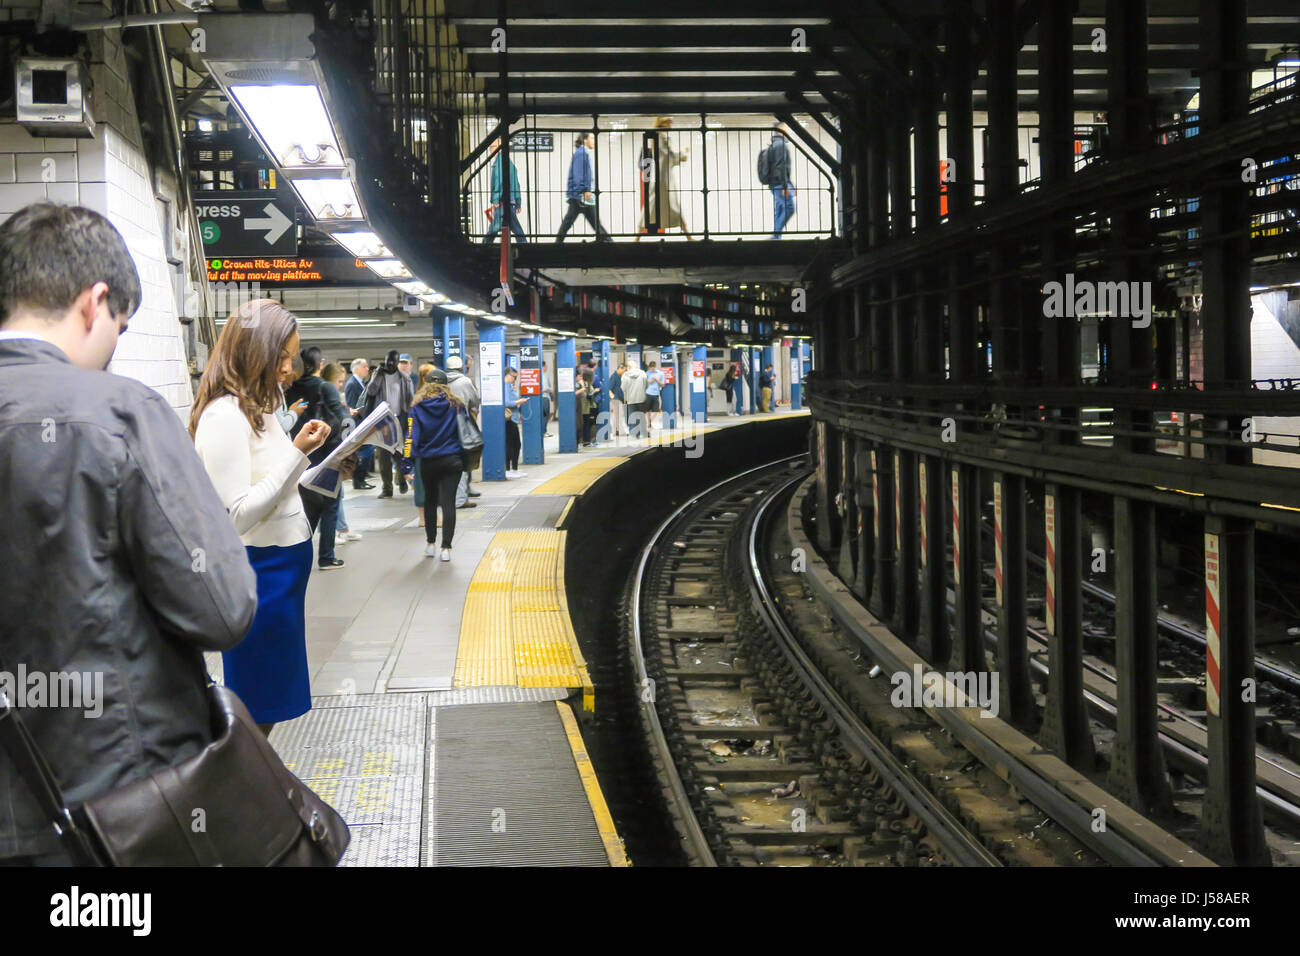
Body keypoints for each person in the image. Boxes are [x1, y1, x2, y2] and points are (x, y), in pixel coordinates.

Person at [0, 202, 257, 865]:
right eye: (119, 324)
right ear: (95, 302)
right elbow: (222, 609)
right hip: (118, 813)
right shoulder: (117, 412)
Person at [191, 298, 331, 735]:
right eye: (283, 357)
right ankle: (239, 794)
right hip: (259, 577)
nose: (290, 368)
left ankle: (252, 791)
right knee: (256, 709)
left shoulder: (262, 409)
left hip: (282, 574)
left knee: (268, 707)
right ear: (256, 352)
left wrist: (317, 461)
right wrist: (297, 453)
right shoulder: (224, 417)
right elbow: (235, 517)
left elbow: (276, 483)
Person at [285, 346, 348, 570]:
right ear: (320, 364)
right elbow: (340, 420)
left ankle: (299, 553)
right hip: (325, 454)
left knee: (306, 506)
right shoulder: (325, 387)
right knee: (330, 504)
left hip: (298, 453)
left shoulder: (289, 388)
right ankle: (327, 556)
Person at [409, 368, 466, 561]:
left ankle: (431, 544)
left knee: (431, 502)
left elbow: (411, 438)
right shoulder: (457, 404)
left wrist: (406, 464)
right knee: (449, 502)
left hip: (428, 461)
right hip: (452, 460)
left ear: (426, 384)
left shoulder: (416, 408)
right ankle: (446, 549)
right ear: (445, 385)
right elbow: (465, 433)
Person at [322, 362, 362, 543]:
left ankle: (342, 528)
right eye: (339, 381)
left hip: (334, 449)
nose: (340, 385)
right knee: (332, 493)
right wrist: (346, 412)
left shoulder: (329, 394)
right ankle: (335, 532)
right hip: (328, 450)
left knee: (338, 492)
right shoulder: (325, 394)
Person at [366, 348, 414, 497]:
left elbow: (410, 399)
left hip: (401, 419)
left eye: (394, 362)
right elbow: (371, 392)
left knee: (400, 453)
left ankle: (401, 478)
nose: (391, 365)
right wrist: (377, 375)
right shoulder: (378, 375)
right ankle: (387, 488)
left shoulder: (405, 378)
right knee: (383, 455)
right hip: (383, 419)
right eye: (388, 363)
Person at [639, 116, 691, 239]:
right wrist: (683, 153)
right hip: (663, 177)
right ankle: (688, 235)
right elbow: (668, 156)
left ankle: (637, 237)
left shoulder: (658, 136)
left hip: (661, 175)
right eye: (669, 122)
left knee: (652, 206)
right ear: (664, 123)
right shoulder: (662, 136)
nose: (671, 125)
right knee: (671, 205)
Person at [556, 132, 612, 242]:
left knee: (590, 221)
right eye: (592, 138)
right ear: (584, 140)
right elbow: (578, 175)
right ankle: (610, 243)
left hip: (581, 194)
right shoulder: (581, 153)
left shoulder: (582, 153)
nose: (594, 141)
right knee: (592, 222)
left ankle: (557, 243)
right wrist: (586, 190)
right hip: (582, 195)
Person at [445, 354, 481, 506]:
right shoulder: (465, 381)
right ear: (461, 367)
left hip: (443, 426)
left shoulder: (440, 380)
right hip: (461, 425)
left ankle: (447, 497)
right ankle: (460, 499)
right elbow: (474, 400)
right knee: (462, 461)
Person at [482, 138, 527, 244]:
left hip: (502, 202)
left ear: (497, 148)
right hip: (510, 201)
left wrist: (496, 200)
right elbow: (516, 184)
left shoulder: (499, 162)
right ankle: (525, 248)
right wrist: (518, 202)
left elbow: (499, 181)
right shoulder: (508, 162)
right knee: (517, 230)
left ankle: (483, 249)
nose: (490, 150)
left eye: (491, 148)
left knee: (493, 229)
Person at [345, 357, 375, 489]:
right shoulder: (352, 384)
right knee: (365, 451)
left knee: (367, 450)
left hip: (363, 422)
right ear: (356, 369)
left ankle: (361, 479)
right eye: (365, 367)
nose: (367, 369)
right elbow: (353, 406)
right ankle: (359, 480)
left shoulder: (360, 383)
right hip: (358, 423)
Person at [768, 122, 796, 239]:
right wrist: (786, 186)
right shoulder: (781, 145)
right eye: (787, 127)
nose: (789, 130)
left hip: (775, 183)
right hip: (780, 183)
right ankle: (776, 234)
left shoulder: (774, 144)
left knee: (780, 209)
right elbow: (781, 166)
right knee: (789, 208)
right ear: (780, 129)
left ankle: (777, 237)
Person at [503, 365, 528, 476]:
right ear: (508, 375)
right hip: (509, 420)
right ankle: (509, 469)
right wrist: (520, 401)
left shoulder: (509, 386)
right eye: (514, 377)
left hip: (513, 418)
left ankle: (513, 468)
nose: (515, 379)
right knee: (512, 444)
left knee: (515, 444)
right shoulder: (505, 386)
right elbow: (507, 403)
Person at [620, 360, 648, 437]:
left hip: (630, 399)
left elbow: (623, 388)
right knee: (641, 416)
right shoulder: (642, 373)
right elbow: (646, 385)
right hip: (641, 399)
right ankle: (643, 432)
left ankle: (634, 433)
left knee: (632, 417)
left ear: (628, 367)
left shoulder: (625, 375)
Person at [645, 360, 665, 430]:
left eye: (653, 368)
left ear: (655, 367)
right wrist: (651, 381)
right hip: (647, 393)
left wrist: (657, 380)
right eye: (651, 368)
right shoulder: (646, 373)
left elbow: (662, 385)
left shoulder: (660, 374)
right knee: (647, 410)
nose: (652, 370)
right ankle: (649, 424)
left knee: (656, 410)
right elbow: (644, 383)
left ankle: (649, 421)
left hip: (656, 394)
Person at [609, 362, 626, 436]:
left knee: (618, 415)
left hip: (618, 399)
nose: (624, 372)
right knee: (616, 415)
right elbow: (609, 388)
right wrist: (613, 397)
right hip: (616, 400)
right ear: (620, 369)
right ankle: (615, 431)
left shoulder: (618, 376)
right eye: (624, 370)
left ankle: (618, 430)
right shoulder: (614, 376)